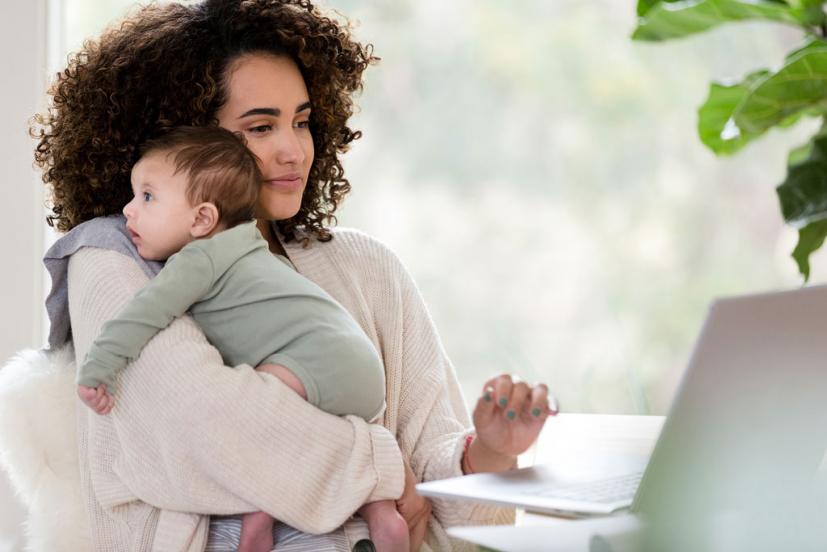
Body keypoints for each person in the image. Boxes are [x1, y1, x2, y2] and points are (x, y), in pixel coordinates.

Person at [34, 0, 558, 549]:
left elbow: (439, 500)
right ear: (184, 145)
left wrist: (491, 456)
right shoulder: (110, 258)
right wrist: (383, 462)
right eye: (260, 127)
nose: (293, 150)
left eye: (302, 122)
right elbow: (211, 433)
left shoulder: (367, 267)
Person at [74, 125, 408, 552]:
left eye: (147, 197)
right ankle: (383, 514)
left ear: (202, 219)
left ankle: (258, 519)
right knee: (316, 428)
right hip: (360, 368)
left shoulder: (197, 259)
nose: (128, 211)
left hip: (316, 358)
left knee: (262, 423)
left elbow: (142, 314)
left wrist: (99, 367)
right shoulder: (252, 247)